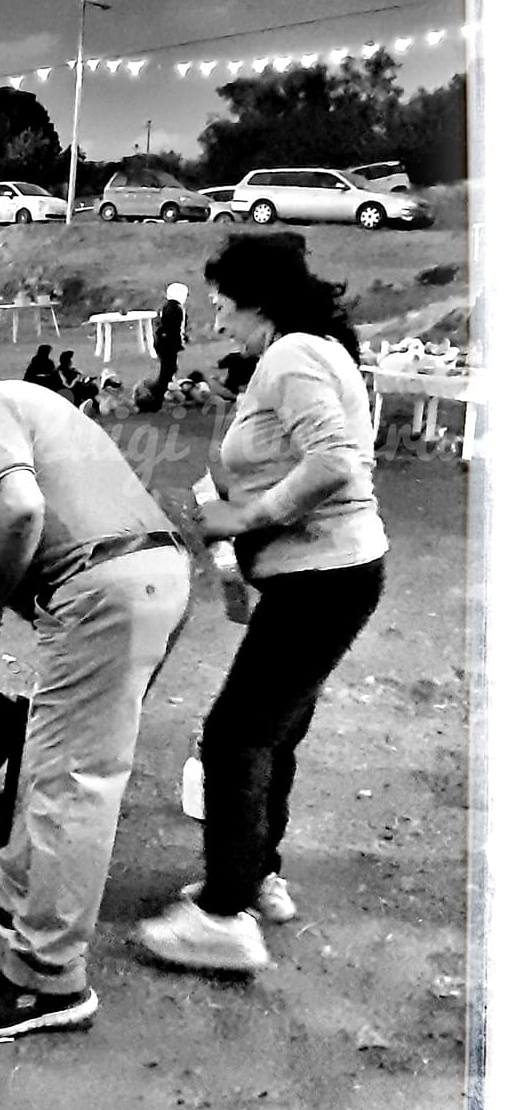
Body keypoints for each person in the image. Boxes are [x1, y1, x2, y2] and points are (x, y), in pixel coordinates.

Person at [0, 349, 190, 1037]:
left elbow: (20, 510)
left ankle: (46, 978)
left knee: (72, 783)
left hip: (102, 594)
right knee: (58, 760)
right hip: (145, 575)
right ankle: (13, 888)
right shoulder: (28, 402)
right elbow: (8, 528)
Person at [135, 234, 387, 973]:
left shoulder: (293, 356)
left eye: (222, 304)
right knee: (272, 734)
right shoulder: (311, 352)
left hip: (322, 574)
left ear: (259, 300)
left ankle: (223, 916)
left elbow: (335, 461)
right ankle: (255, 876)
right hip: (330, 571)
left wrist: (247, 518)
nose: (215, 320)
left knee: (234, 737)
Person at [138, 283, 191, 412]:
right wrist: (179, 341)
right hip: (168, 344)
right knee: (167, 372)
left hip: (165, 343)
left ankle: (158, 397)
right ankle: (155, 399)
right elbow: (173, 328)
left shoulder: (169, 307)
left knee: (169, 370)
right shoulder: (175, 309)